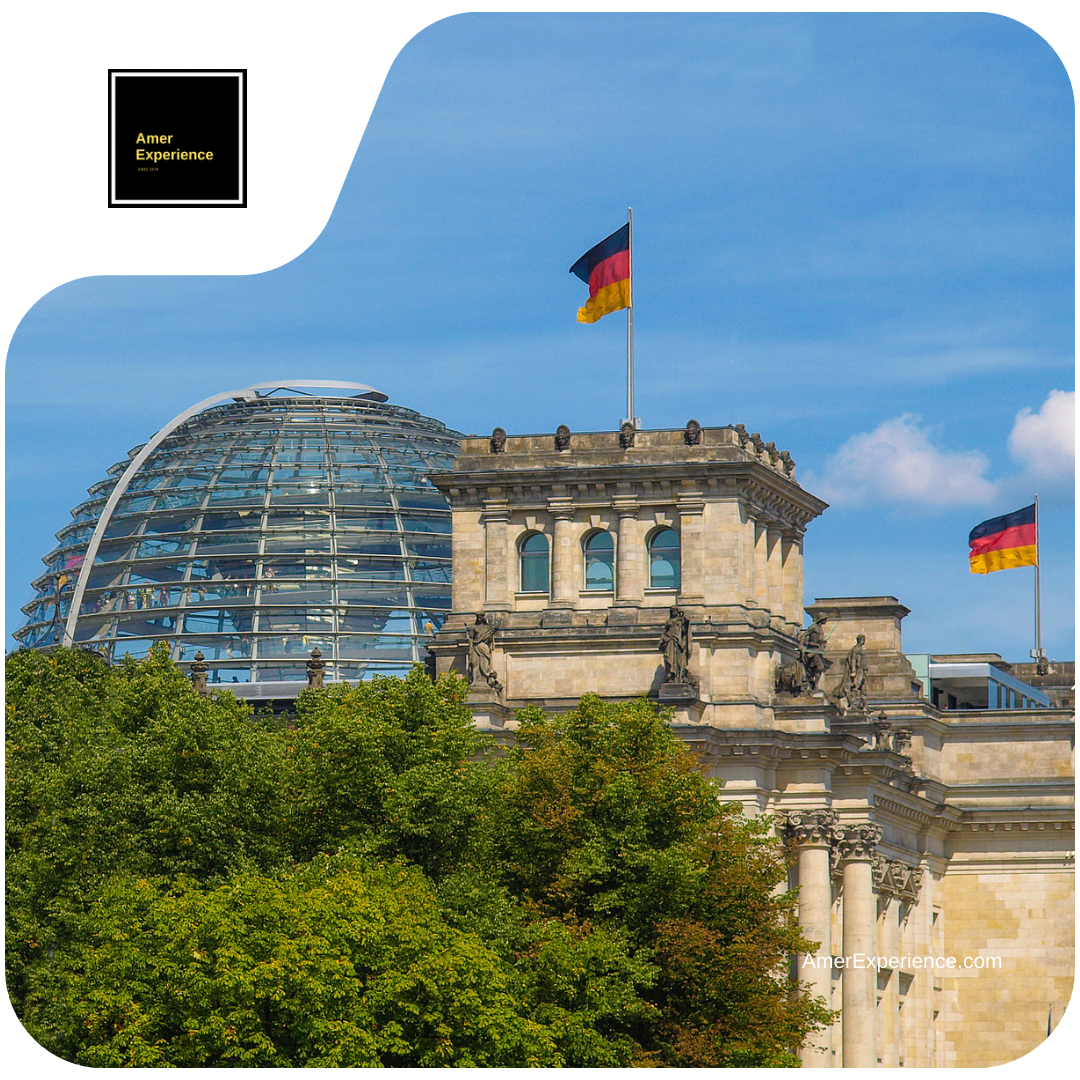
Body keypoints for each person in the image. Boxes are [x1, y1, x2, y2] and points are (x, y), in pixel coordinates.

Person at [466, 613, 502, 692]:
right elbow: (471, 639)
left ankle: (485, 681)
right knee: (474, 664)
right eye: (478, 617)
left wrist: (489, 637)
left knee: (485, 665)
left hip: (484, 647)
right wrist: (470, 650)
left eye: (480, 617)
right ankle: (474, 681)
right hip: (476, 646)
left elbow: (490, 639)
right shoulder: (473, 627)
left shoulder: (487, 628)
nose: (479, 619)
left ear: (483, 618)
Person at [659, 606, 692, 683]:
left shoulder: (681, 621)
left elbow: (686, 626)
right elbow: (665, 632)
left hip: (679, 643)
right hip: (670, 641)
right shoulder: (669, 621)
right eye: (672, 611)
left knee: (679, 660)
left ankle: (679, 677)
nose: (674, 612)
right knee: (669, 659)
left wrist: (683, 614)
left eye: (675, 611)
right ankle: (671, 677)